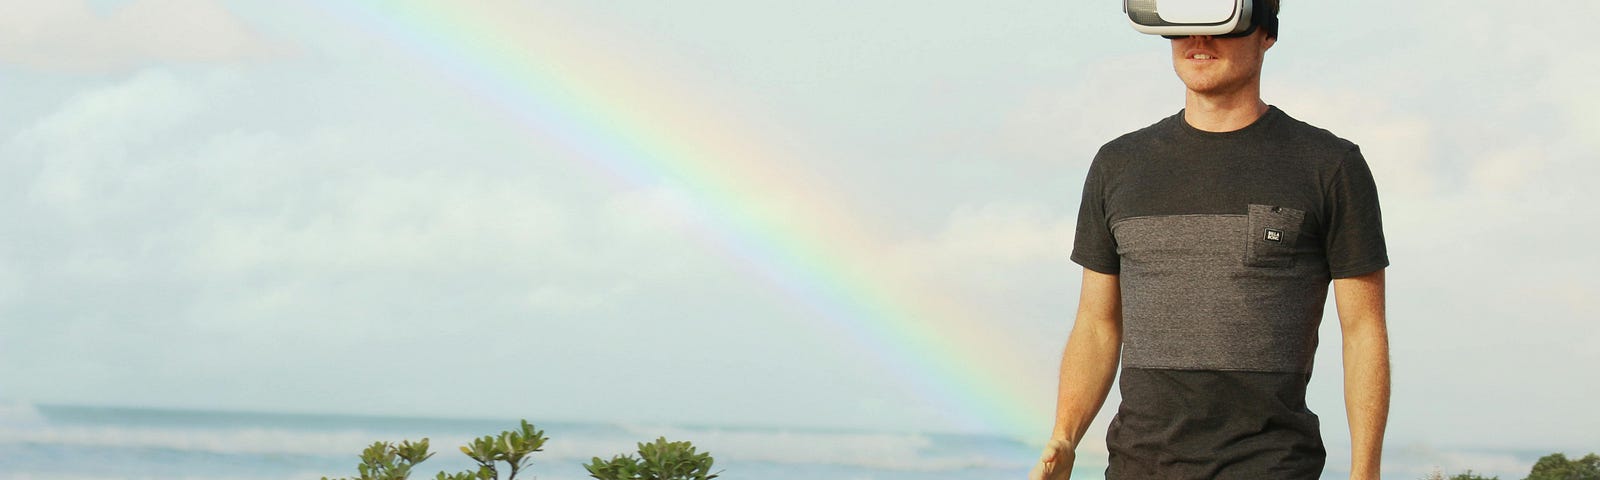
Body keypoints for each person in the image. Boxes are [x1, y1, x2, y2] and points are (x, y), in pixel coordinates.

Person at [1030, 1, 1391, 479]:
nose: (1199, 40)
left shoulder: (1330, 165)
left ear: (1266, 33)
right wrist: (1064, 435)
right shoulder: (1117, 165)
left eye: (1219, 25)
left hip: (1271, 467)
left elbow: (1363, 332)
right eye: (1184, 27)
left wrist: (1365, 473)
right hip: (1137, 467)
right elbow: (1096, 324)